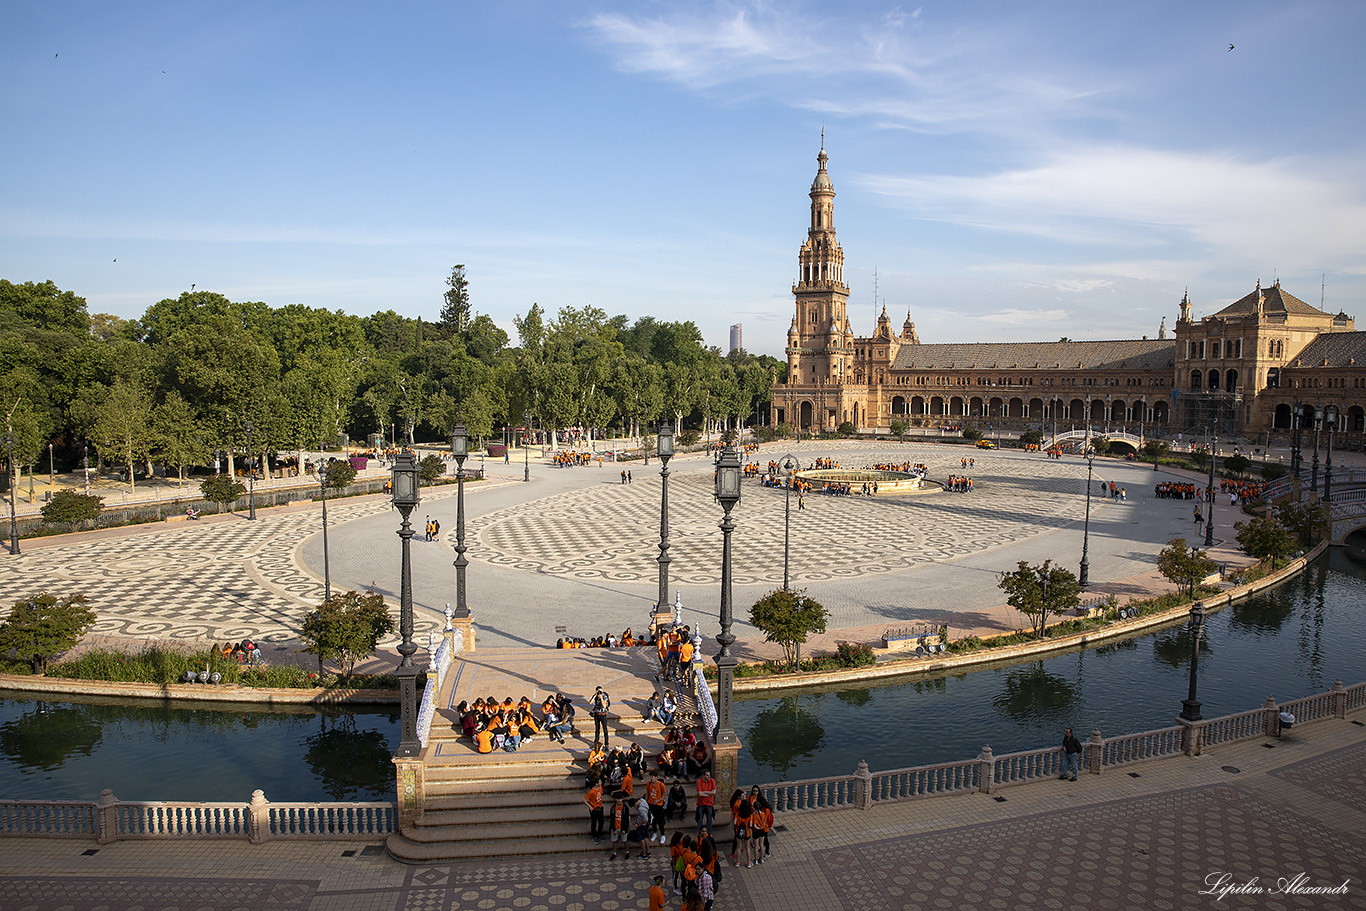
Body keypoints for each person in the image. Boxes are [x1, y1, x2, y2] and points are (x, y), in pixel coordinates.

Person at [584, 776, 605, 844]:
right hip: (594, 809)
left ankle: (600, 833)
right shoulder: (592, 791)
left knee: (601, 821)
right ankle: (594, 835)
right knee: (594, 823)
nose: (601, 782)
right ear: (596, 784)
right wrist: (590, 806)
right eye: (600, 781)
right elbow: (584, 799)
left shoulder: (600, 788)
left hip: (600, 807)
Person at [695, 770, 716, 835]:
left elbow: (714, 792)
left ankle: (708, 833)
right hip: (701, 803)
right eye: (707, 775)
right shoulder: (699, 781)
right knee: (700, 820)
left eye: (709, 775)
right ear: (703, 776)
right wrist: (710, 793)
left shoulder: (712, 781)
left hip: (709, 803)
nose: (709, 776)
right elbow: (700, 794)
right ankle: (700, 833)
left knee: (709, 820)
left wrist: (704, 792)